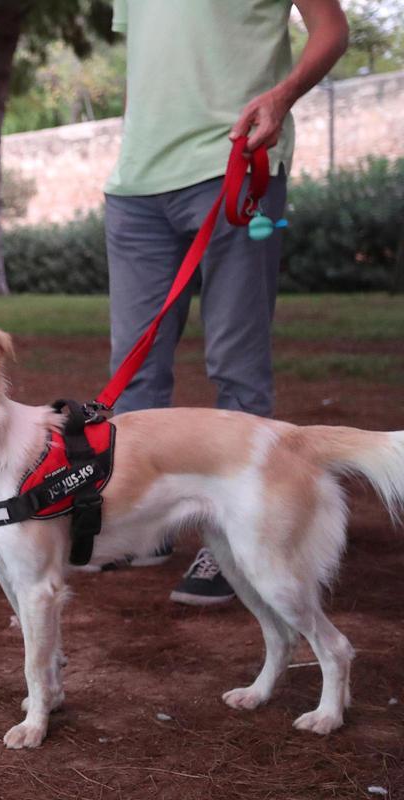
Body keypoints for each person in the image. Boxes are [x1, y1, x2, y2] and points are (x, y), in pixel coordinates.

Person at [104, 1, 348, 604]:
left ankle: (234, 541)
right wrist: (129, 149)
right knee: (134, 371)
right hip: (137, 187)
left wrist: (284, 95)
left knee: (236, 366)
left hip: (236, 164)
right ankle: (145, 523)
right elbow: (144, 70)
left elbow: (332, 31)